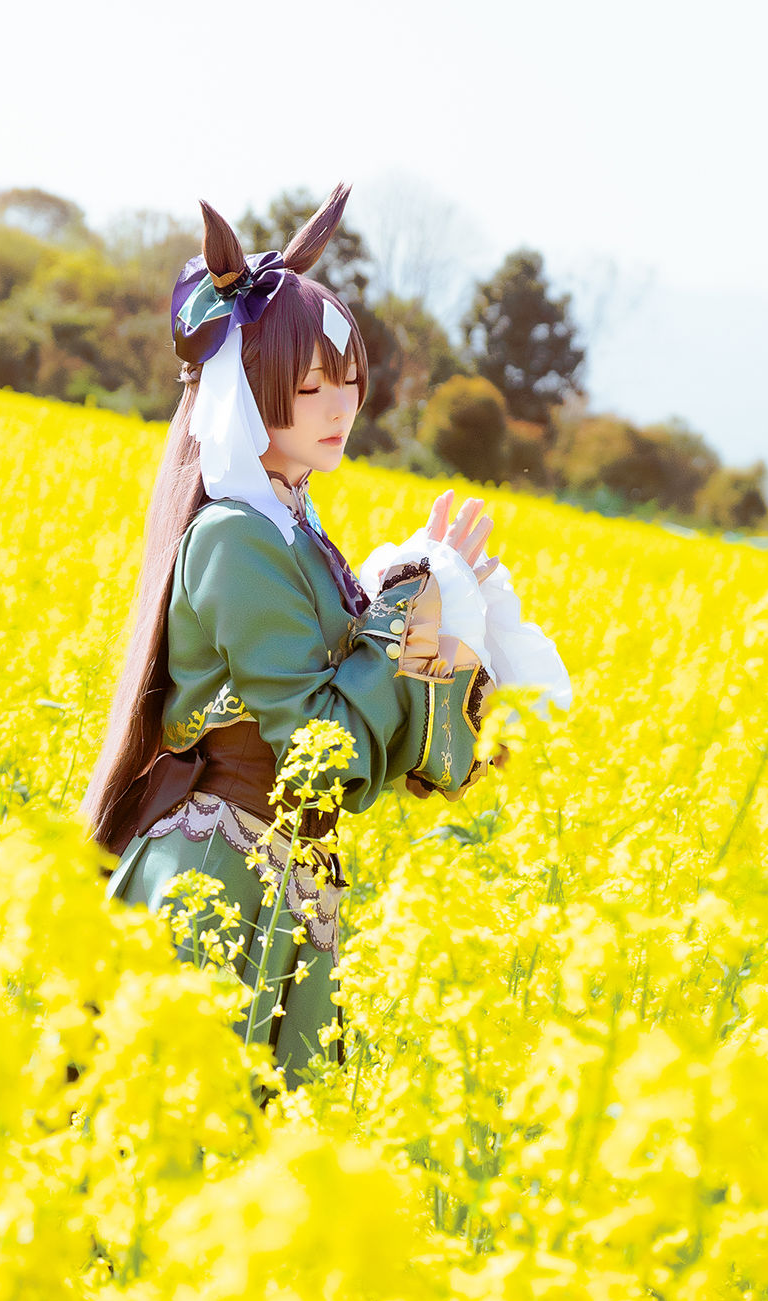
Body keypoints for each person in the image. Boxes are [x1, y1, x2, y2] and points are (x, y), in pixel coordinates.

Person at [83, 185, 555, 1078]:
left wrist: (458, 631)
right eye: (310, 386)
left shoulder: (295, 535)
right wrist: (400, 608)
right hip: (215, 880)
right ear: (248, 393)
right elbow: (317, 744)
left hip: (284, 886)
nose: (339, 406)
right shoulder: (235, 538)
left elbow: (373, 752)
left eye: (348, 383)